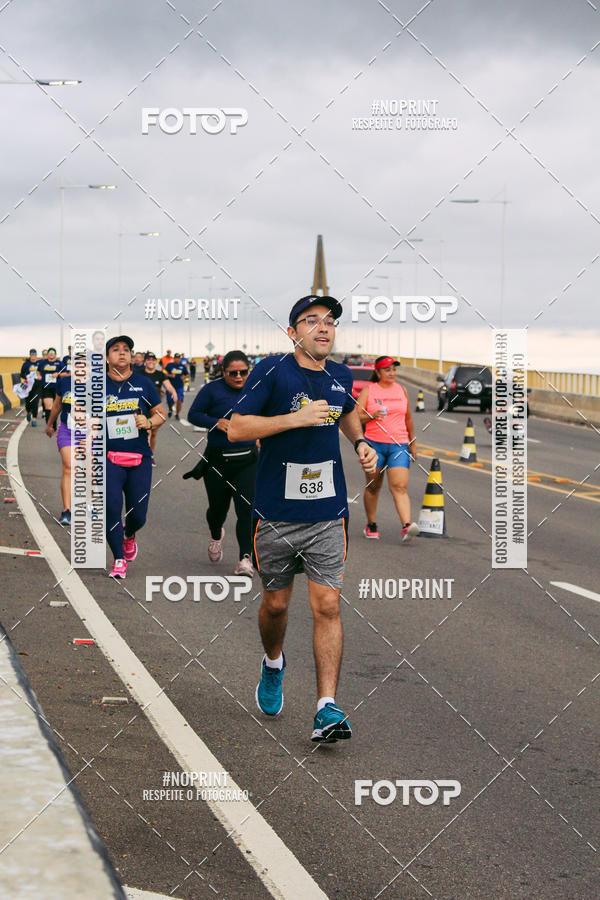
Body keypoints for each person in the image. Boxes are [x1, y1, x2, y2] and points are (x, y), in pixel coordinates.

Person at [228, 295, 378, 743]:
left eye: (330, 321)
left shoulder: (340, 374)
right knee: (276, 605)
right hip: (276, 514)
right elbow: (237, 427)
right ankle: (273, 663)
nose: (323, 327)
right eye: (310, 321)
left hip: (328, 514)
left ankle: (326, 708)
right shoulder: (273, 371)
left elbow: (348, 412)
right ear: (293, 332)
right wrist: (295, 418)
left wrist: (360, 444)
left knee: (327, 606)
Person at [187, 350, 257, 575]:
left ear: (249, 370)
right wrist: (214, 422)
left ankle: (245, 558)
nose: (238, 377)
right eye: (233, 373)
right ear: (224, 372)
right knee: (218, 511)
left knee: (246, 509)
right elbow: (193, 414)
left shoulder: (256, 389)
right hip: (217, 461)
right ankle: (216, 533)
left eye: (243, 372)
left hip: (248, 461)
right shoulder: (212, 390)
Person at [105, 336, 165, 579]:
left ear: (131, 356)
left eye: (126, 350)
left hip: (139, 457)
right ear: (107, 357)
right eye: (116, 350)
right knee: (111, 508)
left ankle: (129, 535)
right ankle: (119, 559)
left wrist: (149, 421)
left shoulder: (144, 383)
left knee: (138, 514)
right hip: (107, 457)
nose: (122, 353)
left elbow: (161, 414)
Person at [356, 356, 419, 542]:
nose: (392, 373)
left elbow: (408, 419)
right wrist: (372, 415)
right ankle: (371, 524)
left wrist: (412, 442)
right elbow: (355, 417)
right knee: (373, 487)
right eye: (387, 370)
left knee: (399, 486)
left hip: (398, 444)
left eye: (394, 369)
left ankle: (407, 526)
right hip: (374, 444)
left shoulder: (402, 390)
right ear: (378, 372)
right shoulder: (369, 390)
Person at [45, 370, 80, 525]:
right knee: (69, 466)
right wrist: (50, 424)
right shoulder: (65, 382)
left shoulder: (101, 384)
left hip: (91, 432)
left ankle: (91, 505)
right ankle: (67, 510)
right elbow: (57, 405)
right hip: (67, 430)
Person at [140, 352, 178, 465]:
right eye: (148, 359)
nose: (151, 361)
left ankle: (151, 454)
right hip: (142, 407)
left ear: (155, 362)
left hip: (155, 407)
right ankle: (145, 456)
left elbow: (168, 385)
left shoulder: (160, 374)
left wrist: (173, 392)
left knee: (154, 433)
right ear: (145, 361)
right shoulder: (140, 374)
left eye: (153, 359)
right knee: (147, 432)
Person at [37, 348, 64, 428]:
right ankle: (49, 425)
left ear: (55, 354)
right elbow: (38, 371)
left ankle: (53, 422)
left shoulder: (60, 363)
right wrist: (39, 375)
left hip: (56, 388)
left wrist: (58, 374)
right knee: (48, 407)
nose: (51, 354)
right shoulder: (42, 363)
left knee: (54, 408)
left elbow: (66, 373)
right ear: (47, 354)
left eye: (53, 353)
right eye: (50, 353)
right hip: (46, 388)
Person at [164, 353, 188, 420]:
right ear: (174, 358)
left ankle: (177, 414)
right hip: (170, 386)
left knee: (179, 400)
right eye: (176, 358)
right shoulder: (170, 365)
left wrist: (184, 376)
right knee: (169, 401)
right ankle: (170, 409)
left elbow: (187, 374)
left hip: (179, 386)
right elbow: (163, 372)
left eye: (178, 358)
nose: (177, 359)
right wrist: (170, 375)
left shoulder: (182, 366)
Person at [20, 349, 40, 426]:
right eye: (32, 355)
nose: (33, 357)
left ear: (36, 356)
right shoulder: (26, 364)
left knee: (35, 402)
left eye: (34, 355)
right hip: (28, 386)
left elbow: (42, 373)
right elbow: (21, 374)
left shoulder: (39, 363)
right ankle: (28, 412)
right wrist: (26, 376)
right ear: (30, 355)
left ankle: (34, 419)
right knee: (28, 402)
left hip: (37, 386)